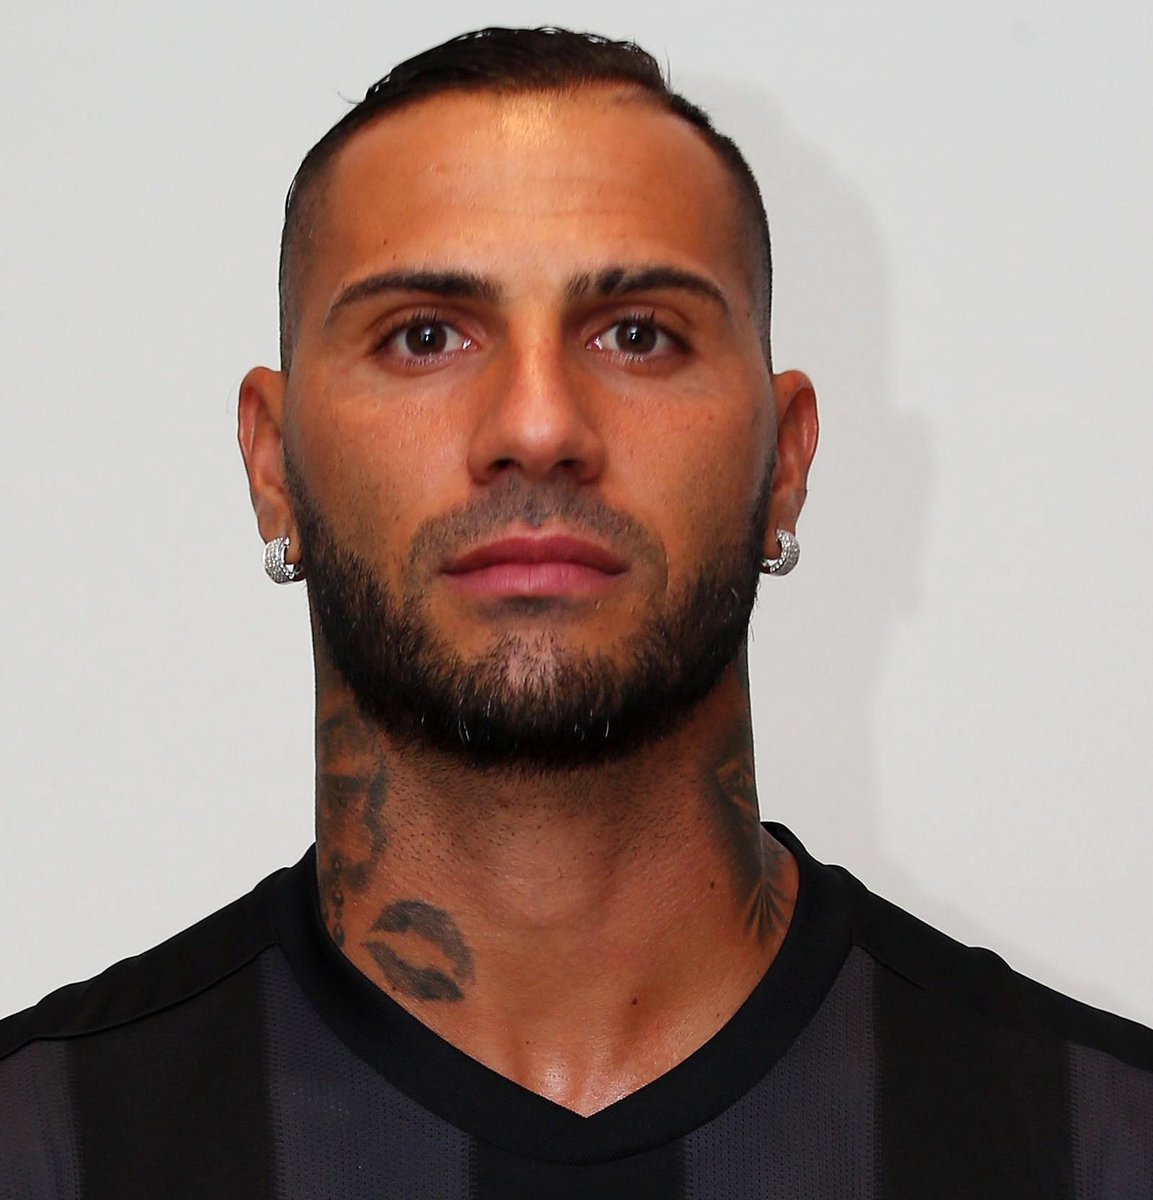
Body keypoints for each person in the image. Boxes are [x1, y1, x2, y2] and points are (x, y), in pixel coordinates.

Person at [1, 25, 1149, 1198]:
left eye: (638, 335)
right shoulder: (45, 1145)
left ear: (786, 460)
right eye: (424, 336)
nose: (539, 426)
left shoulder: (1100, 1144)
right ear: (271, 463)